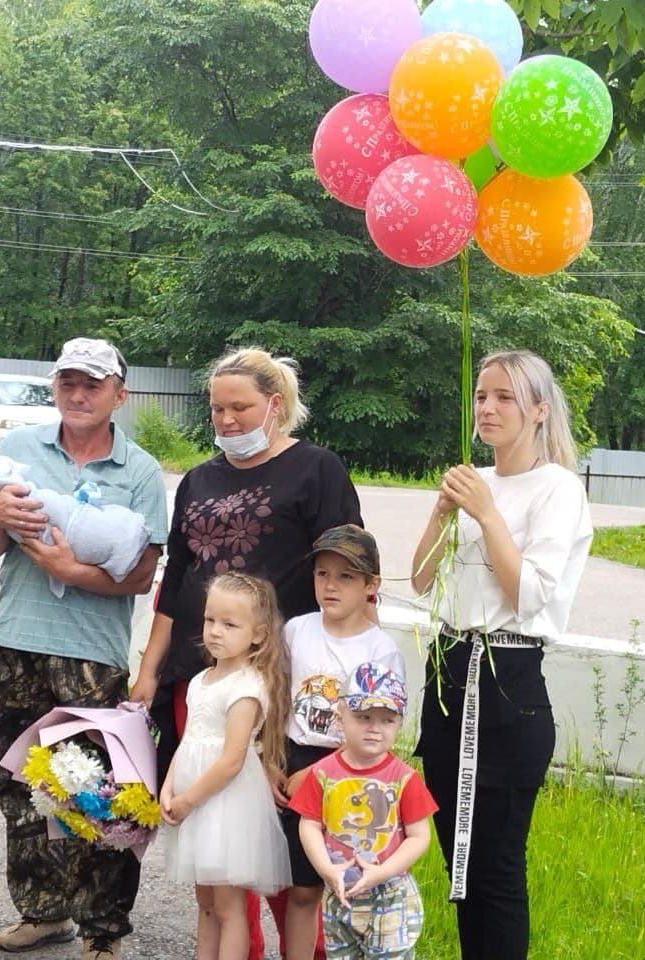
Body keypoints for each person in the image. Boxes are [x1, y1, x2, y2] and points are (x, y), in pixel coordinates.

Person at [132, 346, 363, 960]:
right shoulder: (200, 480)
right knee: (218, 837)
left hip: (283, 683)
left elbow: (349, 570)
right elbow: (175, 581)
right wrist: (150, 671)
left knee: (284, 835)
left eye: (241, 407)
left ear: (275, 405)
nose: (227, 420)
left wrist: (352, 672)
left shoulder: (317, 471)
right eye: (217, 409)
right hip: (200, 681)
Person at [0, 337, 168, 960]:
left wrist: (69, 566)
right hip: (16, 640)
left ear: (119, 393)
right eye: (67, 383)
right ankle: (42, 911)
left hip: (92, 653)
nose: (78, 395)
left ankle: (103, 931)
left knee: (98, 794)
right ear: (55, 388)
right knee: (21, 789)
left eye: (92, 384)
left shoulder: (138, 470)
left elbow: (142, 573)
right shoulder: (18, 450)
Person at [409, 350, 593, 960]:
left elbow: (530, 594)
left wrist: (486, 514)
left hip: (507, 680)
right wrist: (442, 513)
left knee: (495, 865)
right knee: (457, 862)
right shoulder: (474, 480)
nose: (485, 408)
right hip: (449, 671)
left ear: (539, 410)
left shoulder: (558, 489)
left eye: (503, 397)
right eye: (481, 396)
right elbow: (419, 579)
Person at [277, 525, 406, 956]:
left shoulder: (380, 649)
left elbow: (380, 729)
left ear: (372, 586)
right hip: (294, 757)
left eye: (346, 577)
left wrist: (314, 777)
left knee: (347, 885)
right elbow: (279, 698)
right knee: (302, 888)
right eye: (322, 574)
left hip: (348, 768)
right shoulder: (297, 630)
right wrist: (271, 761)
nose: (330, 586)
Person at [161, 573, 293, 960]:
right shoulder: (201, 679)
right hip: (194, 800)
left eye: (230, 624)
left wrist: (188, 800)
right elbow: (188, 742)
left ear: (259, 634)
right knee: (205, 901)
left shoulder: (247, 687)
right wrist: (169, 789)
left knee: (229, 906)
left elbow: (233, 760)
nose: (215, 632)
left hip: (224, 806)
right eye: (210, 620)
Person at [292, 662, 435, 960]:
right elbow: (309, 825)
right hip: (339, 891)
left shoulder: (405, 778)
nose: (374, 728)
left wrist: (383, 871)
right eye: (363, 717)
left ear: (399, 724)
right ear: (340, 719)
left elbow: (420, 836)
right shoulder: (322, 773)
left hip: (389, 894)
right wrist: (325, 869)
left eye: (387, 720)